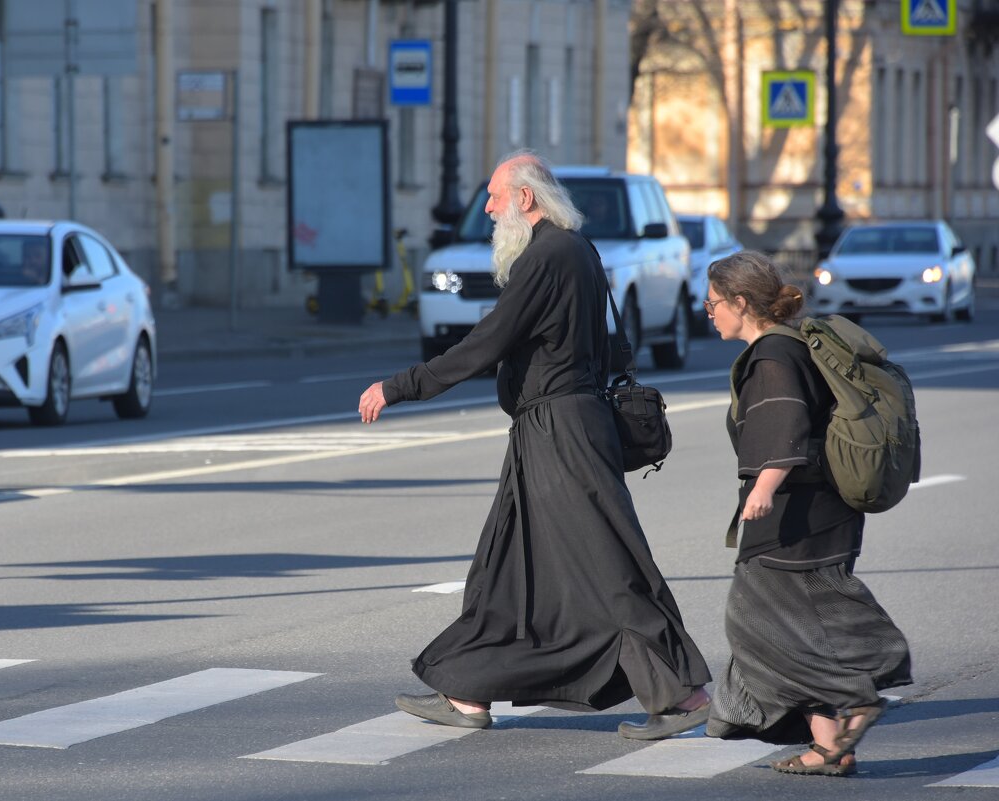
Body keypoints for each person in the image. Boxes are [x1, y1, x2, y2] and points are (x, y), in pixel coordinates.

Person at [358, 151, 711, 739]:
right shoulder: (578, 250)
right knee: (504, 565)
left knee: (608, 565)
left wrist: (400, 387)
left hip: (562, 432)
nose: (491, 208)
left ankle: (683, 695)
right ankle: (468, 692)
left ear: (525, 199)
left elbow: (486, 342)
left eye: (496, 197)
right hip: (557, 426)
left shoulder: (546, 256)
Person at [701, 251, 912, 777]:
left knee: (756, 624)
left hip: (794, 513)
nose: (708, 311)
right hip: (826, 509)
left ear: (741, 303)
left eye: (713, 302)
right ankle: (831, 748)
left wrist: (764, 488)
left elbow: (785, 424)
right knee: (803, 627)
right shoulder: (789, 346)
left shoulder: (772, 356)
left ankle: (855, 698)